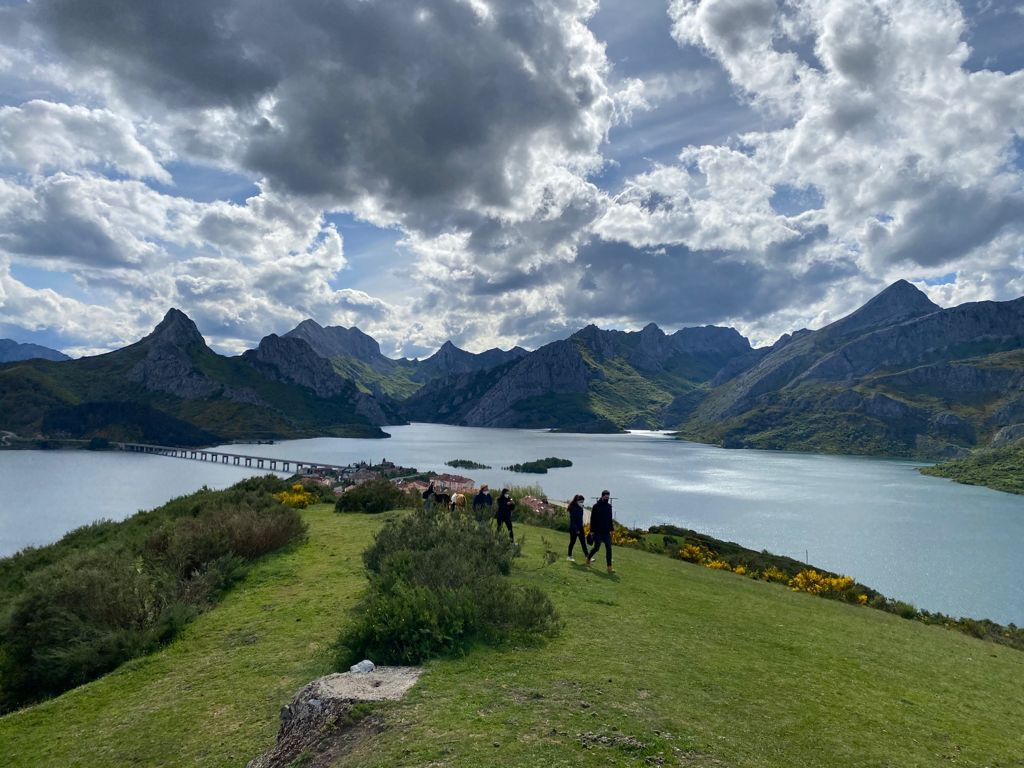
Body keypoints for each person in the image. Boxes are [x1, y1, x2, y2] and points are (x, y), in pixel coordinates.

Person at [587, 489, 614, 572]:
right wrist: (591, 531)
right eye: (606, 497)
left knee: (609, 548)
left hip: (606, 531)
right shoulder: (596, 506)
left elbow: (610, 519)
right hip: (597, 531)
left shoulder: (609, 507)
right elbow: (592, 519)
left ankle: (609, 567)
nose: (607, 498)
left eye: (608, 497)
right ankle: (588, 559)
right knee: (596, 548)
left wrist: (612, 529)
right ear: (602, 496)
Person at [566, 493, 589, 562]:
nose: (582, 503)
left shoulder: (581, 508)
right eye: (581, 502)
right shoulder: (573, 508)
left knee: (583, 543)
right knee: (572, 542)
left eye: (582, 502)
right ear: (577, 501)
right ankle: (569, 556)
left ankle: (587, 556)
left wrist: (581, 528)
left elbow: (580, 519)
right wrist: (576, 530)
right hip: (574, 529)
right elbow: (573, 520)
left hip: (580, 528)